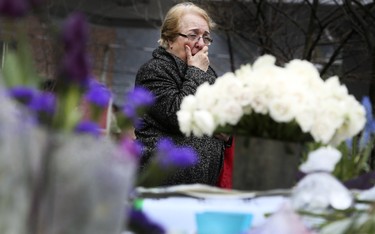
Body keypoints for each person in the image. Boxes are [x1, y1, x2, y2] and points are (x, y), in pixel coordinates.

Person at [134, 2, 231, 186]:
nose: (201, 44)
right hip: (163, 184)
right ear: (169, 39)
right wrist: (196, 72)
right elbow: (177, 116)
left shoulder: (207, 72)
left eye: (206, 37)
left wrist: (227, 131)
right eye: (193, 35)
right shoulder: (154, 71)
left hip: (204, 186)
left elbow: (222, 118)